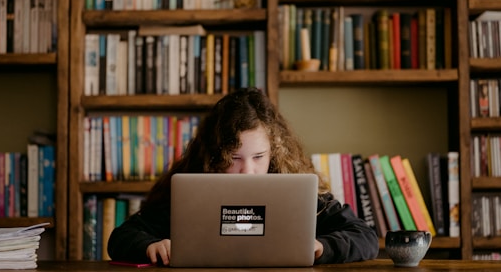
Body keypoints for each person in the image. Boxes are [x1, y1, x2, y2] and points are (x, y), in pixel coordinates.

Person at [107, 87, 379, 265]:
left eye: (259, 157)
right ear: (214, 156)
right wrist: (151, 246)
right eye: (234, 158)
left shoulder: (293, 186)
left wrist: (322, 247)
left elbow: (364, 236)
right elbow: (120, 237)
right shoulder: (191, 187)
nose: (248, 170)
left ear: (275, 152)